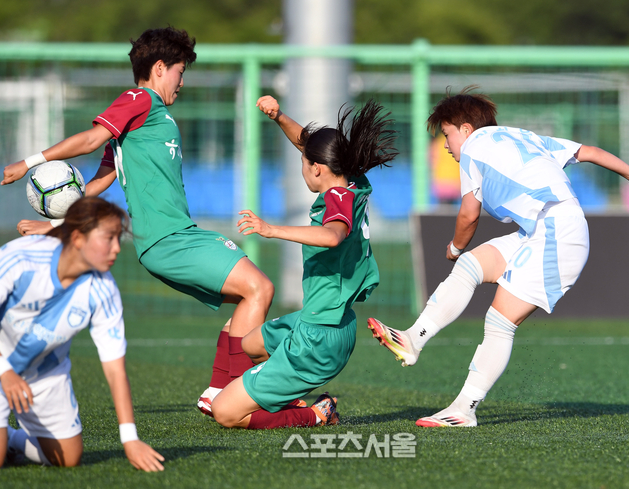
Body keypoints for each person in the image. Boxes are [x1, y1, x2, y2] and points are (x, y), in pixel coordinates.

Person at [0, 27, 274, 414]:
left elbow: (101, 180)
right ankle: (243, 394)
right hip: (169, 239)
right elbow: (91, 139)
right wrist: (30, 162)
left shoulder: (149, 117)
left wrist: (55, 226)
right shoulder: (139, 99)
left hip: (172, 237)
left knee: (249, 298)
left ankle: (218, 392)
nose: (182, 82)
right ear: (160, 68)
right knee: (260, 287)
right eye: (180, 71)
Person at [368, 86, 629, 427]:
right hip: (543, 229)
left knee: (499, 322)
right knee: (471, 265)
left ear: (466, 130)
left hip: (557, 233)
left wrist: (454, 247)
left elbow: (469, 214)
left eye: (446, 134)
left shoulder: (473, 148)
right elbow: (588, 151)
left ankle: (463, 410)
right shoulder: (522, 136)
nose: (445, 145)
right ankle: (413, 339)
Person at [209, 95, 397, 429]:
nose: (302, 167)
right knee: (251, 342)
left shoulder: (336, 197)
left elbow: (333, 235)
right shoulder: (353, 182)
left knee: (224, 412)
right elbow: (308, 145)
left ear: (317, 169)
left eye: (303, 163)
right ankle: (278, 394)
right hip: (325, 322)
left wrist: (271, 229)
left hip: (319, 338)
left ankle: (317, 414)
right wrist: (279, 116)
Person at [0, 197, 164, 470]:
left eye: (118, 238)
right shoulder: (21, 258)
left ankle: (12, 440)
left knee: (68, 458)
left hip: (43, 374)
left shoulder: (103, 290)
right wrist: (5, 372)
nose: (117, 248)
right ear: (77, 238)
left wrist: (130, 438)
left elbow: (115, 370)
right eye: (109, 238)